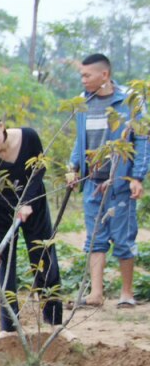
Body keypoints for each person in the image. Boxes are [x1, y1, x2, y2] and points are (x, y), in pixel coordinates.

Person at [0, 109, 70, 341]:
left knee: (44, 257)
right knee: (4, 267)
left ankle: (55, 323)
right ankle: (9, 327)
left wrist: (27, 202)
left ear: (1, 125)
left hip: (33, 205)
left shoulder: (29, 137)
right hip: (0, 212)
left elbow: (39, 168)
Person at [67, 53, 149, 308]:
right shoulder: (82, 102)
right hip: (93, 181)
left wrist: (137, 177)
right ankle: (96, 294)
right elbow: (80, 139)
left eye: (87, 75)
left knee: (124, 238)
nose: (83, 80)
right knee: (95, 238)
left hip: (121, 181)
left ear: (104, 75)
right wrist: (74, 166)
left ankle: (126, 293)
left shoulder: (130, 100)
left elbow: (143, 139)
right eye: (81, 75)